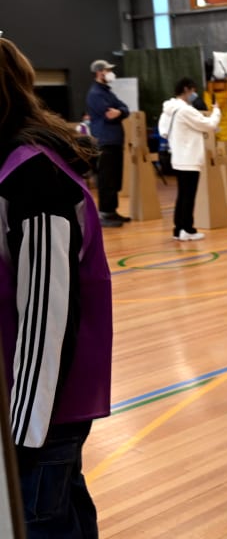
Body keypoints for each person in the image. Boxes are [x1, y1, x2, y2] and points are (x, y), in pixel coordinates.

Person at [0, 37, 113, 537]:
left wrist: (23, 441)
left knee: (47, 522)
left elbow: (48, 319)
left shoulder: (35, 178)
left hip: (37, 419)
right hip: (23, 413)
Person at [159, 77, 221, 241]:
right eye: (193, 90)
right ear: (187, 89)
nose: (194, 94)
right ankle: (187, 229)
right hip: (190, 158)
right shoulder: (186, 110)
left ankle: (178, 229)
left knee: (182, 195)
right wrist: (217, 111)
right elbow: (209, 124)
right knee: (188, 195)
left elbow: (163, 131)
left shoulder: (168, 109)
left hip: (178, 157)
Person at [85, 58, 130, 227]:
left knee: (115, 179)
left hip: (115, 141)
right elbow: (108, 115)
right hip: (105, 141)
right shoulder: (95, 94)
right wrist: (119, 112)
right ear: (99, 72)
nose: (110, 72)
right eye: (107, 69)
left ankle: (112, 211)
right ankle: (104, 213)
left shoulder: (107, 92)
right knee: (107, 179)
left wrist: (119, 112)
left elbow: (124, 108)